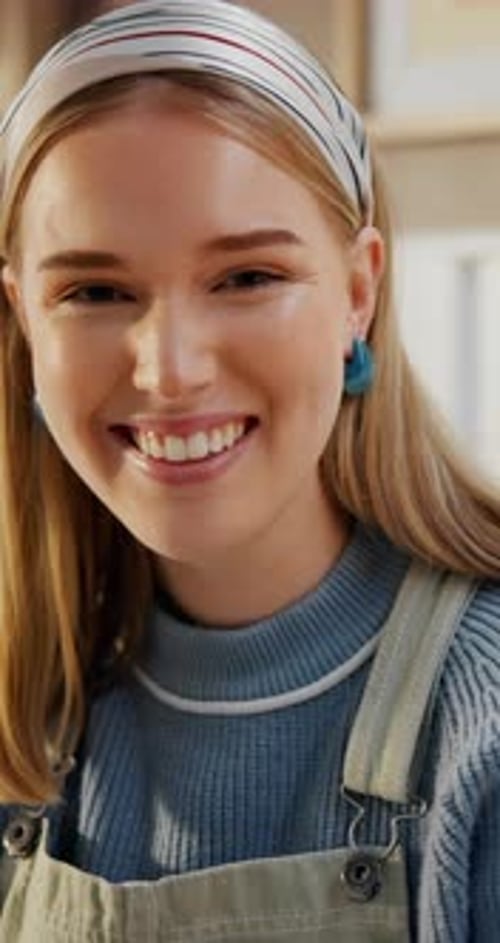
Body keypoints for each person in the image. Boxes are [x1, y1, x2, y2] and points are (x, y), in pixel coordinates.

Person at [0, 1, 500, 940]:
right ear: (26, 321)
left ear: (358, 292)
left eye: (246, 277)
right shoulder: (28, 719)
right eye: (96, 292)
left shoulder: (485, 717)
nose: (170, 368)